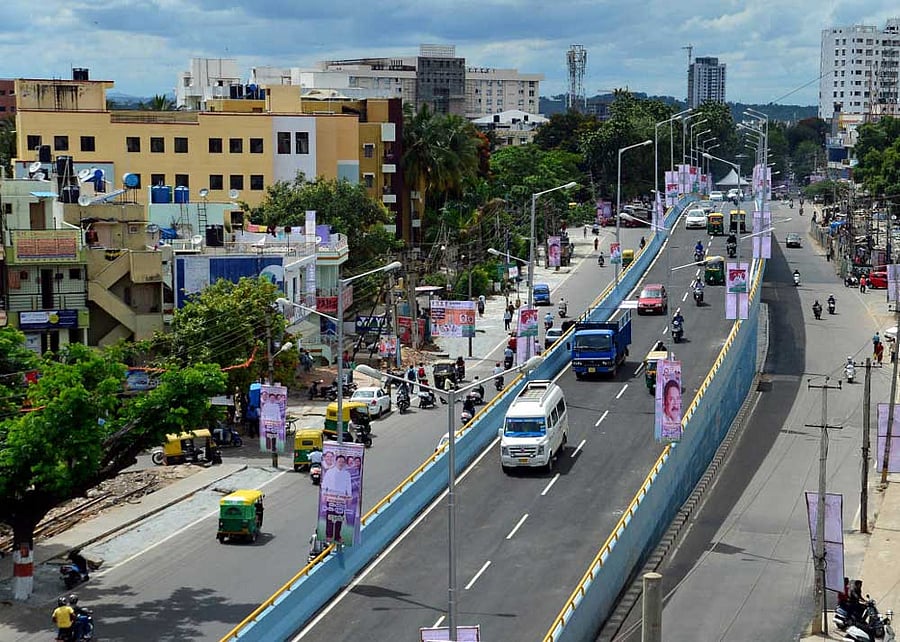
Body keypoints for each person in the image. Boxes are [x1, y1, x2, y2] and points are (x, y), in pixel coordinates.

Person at [321, 454, 353, 544]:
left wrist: (349, 496)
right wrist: (324, 494)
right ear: (336, 462)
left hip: (341, 499)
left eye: (343, 462)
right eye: (339, 461)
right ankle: (329, 535)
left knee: (339, 518)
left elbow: (348, 486)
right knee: (330, 517)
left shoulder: (346, 474)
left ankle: (337, 536)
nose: (341, 463)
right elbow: (324, 484)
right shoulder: (330, 472)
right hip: (331, 498)